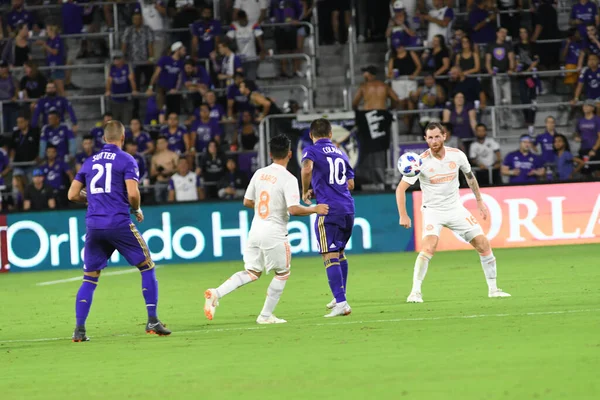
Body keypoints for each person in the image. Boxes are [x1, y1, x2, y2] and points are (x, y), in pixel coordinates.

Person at [204, 135, 328, 324]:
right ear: (289, 154)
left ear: (270, 154)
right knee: (283, 273)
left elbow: (247, 201)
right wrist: (315, 209)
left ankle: (216, 293)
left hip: (255, 230)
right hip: (274, 233)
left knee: (252, 272)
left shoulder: (260, 173)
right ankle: (265, 316)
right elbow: (293, 209)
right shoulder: (289, 178)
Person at [67, 120, 170, 342]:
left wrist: (91, 199)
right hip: (118, 223)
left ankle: (79, 330)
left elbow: (72, 194)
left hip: (94, 225)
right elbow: (133, 194)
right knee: (147, 266)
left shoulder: (89, 161)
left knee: (89, 278)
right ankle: (152, 320)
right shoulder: (127, 159)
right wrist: (137, 209)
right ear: (122, 138)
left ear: (104, 139)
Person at [396, 122, 511, 303]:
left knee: (483, 244)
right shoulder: (419, 162)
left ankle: (494, 289)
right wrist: (403, 214)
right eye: (430, 137)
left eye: (437, 136)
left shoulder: (457, 155)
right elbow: (400, 189)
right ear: (426, 139)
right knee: (428, 247)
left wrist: (479, 201)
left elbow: (470, 176)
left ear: (444, 136)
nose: (434, 141)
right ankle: (415, 292)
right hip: (433, 210)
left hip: (455, 208)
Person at [301, 118, 355, 317]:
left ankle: (342, 303)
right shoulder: (341, 153)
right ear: (331, 134)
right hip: (348, 208)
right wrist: (322, 189)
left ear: (311, 135)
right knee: (340, 252)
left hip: (328, 210)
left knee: (329, 254)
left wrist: (305, 190)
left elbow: (307, 168)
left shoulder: (311, 150)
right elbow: (350, 184)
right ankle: (341, 295)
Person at [486, 27, 515, 128]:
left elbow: (511, 59)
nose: (503, 34)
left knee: (508, 100)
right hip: (495, 75)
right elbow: (488, 60)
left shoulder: (508, 45)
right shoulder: (491, 45)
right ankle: (500, 122)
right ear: (497, 33)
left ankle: (509, 122)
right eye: (502, 32)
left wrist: (511, 68)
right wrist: (489, 70)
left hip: (505, 75)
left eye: (505, 33)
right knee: (497, 100)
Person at [388, 43, 421, 131]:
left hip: (410, 80)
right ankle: (406, 128)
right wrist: (393, 75)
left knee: (411, 102)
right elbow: (389, 73)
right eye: (398, 47)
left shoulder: (411, 53)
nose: (400, 48)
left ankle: (411, 124)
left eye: (401, 46)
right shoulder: (393, 58)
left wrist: (415, 74)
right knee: (402, 104)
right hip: (398, 82)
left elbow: (419, 66)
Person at [147, 41, 186, 114]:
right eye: (182, 49)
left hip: (173, 90)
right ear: (177, 50)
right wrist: (150, 87)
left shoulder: (181, 63)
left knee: (174, 111)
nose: (184, 51)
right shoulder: (164, 59)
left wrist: (176, 89)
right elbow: (156, 74)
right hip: (162, 88)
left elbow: (180, 77)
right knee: (162, 109)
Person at [226, 10, 266, 81]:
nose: (242, 22)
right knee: (241, 81)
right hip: (239, 59)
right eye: (240, 20)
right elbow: (228, 40)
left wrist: (262, 51)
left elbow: (259, 39)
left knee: (251, 80)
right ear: (238, 19)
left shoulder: (254, 24)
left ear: (246, 18)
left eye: (244, 19)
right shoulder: (234, 25)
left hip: (252, 58)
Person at [514, 27, 539, 134]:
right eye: (521, 32)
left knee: (532, 98)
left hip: (531, 75)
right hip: (521, 75)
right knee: (524, 98)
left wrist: (528, 70)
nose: (522, 34)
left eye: (524, 32)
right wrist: (517, 68)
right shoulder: (516, 46)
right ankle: (527, 120)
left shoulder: (533, 45)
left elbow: (536, 60)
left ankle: (532, 121)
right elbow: (516, 59)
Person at [270, 0, 304, 77]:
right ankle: (284, 71)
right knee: (282, 51)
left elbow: (301, 11)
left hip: (291, 28)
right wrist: (273, 23)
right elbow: (271, 15)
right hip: (279, 28)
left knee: (295, 50)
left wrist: (297, 20)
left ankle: (295, 70)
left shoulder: (294, 1)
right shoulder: (273, 1)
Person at [105, 51, 137, 125]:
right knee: (114, 121)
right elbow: (109, 80)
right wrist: (108, 90)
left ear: (122, 59)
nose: (116, 61)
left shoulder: (127, 67)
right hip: (115, 98)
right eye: (115, 59)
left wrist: (134, 90)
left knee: (126, 121)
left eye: (118, 59)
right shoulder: (111, 68)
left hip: (126, 98)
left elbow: (132, 79)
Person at [37, 24, 66, 96]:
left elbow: (55, 52)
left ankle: (66, 104)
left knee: (60, 89)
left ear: (52, 30)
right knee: (55, 90)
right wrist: (43, 46)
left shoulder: (57, 39)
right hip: (50, 66)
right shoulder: (49, 40)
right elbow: (46, 51)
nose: (46, 31)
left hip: (57, 66)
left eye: (47, 29)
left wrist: (45, 45)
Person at [531, 0, 560, 69]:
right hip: (554, 37)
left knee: (543, 62)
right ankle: (552, 77)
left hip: (545, 39)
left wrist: (533, 38)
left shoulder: (542, 9)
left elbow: (540, 25)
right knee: (553, 62)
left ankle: (545, 78)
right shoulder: (552, 9)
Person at [574, 100, 600, 174]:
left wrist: (594, 149)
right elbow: (577, 133)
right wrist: (577, 137)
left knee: (596, 171)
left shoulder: (597, 120)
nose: (585, 107)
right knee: (585, 171)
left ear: (592, 108)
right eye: (584, 105)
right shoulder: (580, 120)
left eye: (587, 105)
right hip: (584, 149)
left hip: (595, 149)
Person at [151, 136, 178, 204]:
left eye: (162, 143)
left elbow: (178, 169)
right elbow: (152, 173)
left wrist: (170, 171)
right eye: (159, 143)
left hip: (170, 181)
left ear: (166, 143)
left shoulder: (173, 155)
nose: (161, 145)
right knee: (158, 202)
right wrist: (160, 172)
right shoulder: (155, 157)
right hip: (159, 182)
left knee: (170, 201)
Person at [0, 61, 19, 133]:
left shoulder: (12, 78)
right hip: (1, 106)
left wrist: (15, 96)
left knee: (13, 128)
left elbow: (17, 89)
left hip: (11, 105)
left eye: (3, 67)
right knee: (3, 128)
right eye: (0, 67)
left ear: (7, 68)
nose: (1, 69)